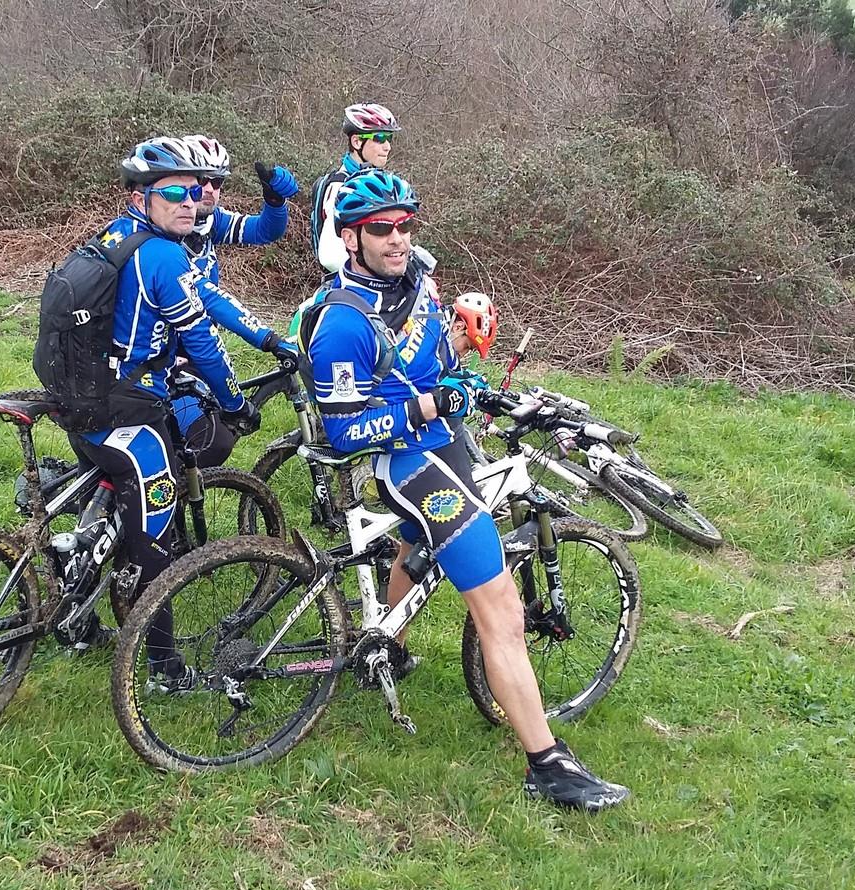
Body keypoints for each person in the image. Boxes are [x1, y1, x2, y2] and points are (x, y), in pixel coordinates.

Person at [300, 170, 630, 813]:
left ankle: (386, 650)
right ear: (351, 238)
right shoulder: (343, 321)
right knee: (501, 609)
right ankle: (547, 764)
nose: (397, 238)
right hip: (403, 462)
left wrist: (472, 386)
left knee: (411, 549)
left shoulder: (418, 287)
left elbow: (432, 363)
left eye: (404, 225)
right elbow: (345, 431)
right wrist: (428, 406)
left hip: (441, 443)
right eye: (380, 229)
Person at [67, 136, 262, 662]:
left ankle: (74, 613)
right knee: (154, 546)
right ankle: (164, 667)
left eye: (195, 192)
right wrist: (235, 404)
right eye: (173, 192)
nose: (190, 202)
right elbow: (203, 344)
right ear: (140, 198)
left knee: (105, 508)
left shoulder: (117, 234)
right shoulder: (163, 256)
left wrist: (263, 335)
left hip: (81, 394)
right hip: (126, 408)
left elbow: (200, 298)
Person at [169, 134, 300, 466]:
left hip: (194, 347)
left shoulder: (209, 222)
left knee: (205, 437)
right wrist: (267, 338)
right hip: (164, 357)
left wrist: (274, 202)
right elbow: (207, 296)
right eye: (202, 180)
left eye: (217, 182)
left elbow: (263, 231)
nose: (210, 189)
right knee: (210, 442)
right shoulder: (168, 236)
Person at [310, 103, 400, 273]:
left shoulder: (368, 182)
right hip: (350, 284)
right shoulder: (341, 187)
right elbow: (330, 258)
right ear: (357, 142)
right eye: (380, 137)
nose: (387, 146)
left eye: (389, 138)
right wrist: (376, 275)